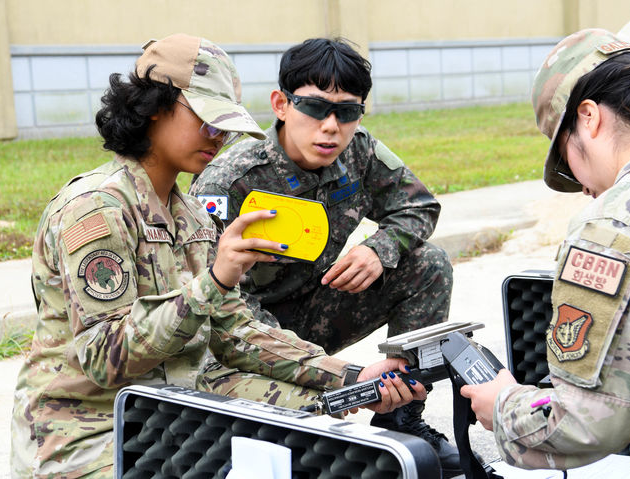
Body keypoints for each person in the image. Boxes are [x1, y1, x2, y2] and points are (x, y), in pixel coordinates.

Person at [10, 34, 426, 479]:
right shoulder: (96, 209)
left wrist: (351, 378)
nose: (218, 134)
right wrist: (214, 280)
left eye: (223, 122)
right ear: (154, 106)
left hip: (179, 405)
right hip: (90, 432)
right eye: (206, 117)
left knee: (319, 433)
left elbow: (233, 333)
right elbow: (105, 359)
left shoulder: (190, 215)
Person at [190, 37, 461, 475]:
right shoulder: (230, 181)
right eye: (315, 108)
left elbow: (419, 206)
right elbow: (221, 304)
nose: (331, 126)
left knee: (428, 265)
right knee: (302, 442)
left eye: (348, 111)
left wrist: (379, 248)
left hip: (318, 309)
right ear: (281, 104)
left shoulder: (359, 151)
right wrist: (333, 371)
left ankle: (401, 417)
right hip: (246, 336)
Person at [460, 28, 630, 477]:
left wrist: (503, 406)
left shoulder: (615, 224)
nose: (583, 188)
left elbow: (586, 423)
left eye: (564, 157)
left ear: (589, 118)